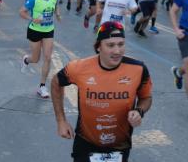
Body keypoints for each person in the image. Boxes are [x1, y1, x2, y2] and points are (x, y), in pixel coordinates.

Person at [50, 21, 153, 162]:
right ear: (98, 47)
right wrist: (61, 121)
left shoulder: (138, 69)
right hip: (86, 143)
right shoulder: (79, 68)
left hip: (120, 145)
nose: (117, 51)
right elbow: (56, 82)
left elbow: (146, 97)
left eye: (121, 44)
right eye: (110, 45)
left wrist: (139, 111)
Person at [20, 0, 61, 99]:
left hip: (49, 30)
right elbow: (21, 12)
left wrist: (58, 15)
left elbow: (55, 7)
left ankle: (42, 86)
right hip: (34, 30)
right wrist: (32, 18)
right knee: (36, 59)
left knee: (48, 58)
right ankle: (26, 60)